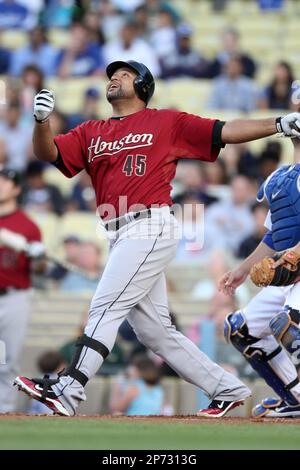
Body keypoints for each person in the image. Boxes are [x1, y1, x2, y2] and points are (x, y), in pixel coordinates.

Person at [14, 59, 300, 418]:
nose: (114, 78)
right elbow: (48, 153)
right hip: (119, 232)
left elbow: (224, 130)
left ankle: (69, 387)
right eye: (112, 75)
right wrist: (41, 122)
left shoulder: (166, 121)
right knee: (155, 332)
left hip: (149, 224)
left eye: (124, 74)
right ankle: (226, 387)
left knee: (105, 306)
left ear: (143, 85)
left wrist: (277, 124)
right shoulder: (91, 130)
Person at [219, 137, 300, 418]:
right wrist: (242, 269)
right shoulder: (281, 177)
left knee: (289, 327)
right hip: (292, 273)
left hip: (296, 267)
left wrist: (294, 254)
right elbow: (275, 234)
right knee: (240, 329)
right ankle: (295, 400)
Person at [0, 168, 45, 413]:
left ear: (16, 189)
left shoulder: (27, 226)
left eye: (5, 181)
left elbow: (39, 269)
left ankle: (3, 413)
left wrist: (38, 255)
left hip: (13, 297)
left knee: (6, 361)